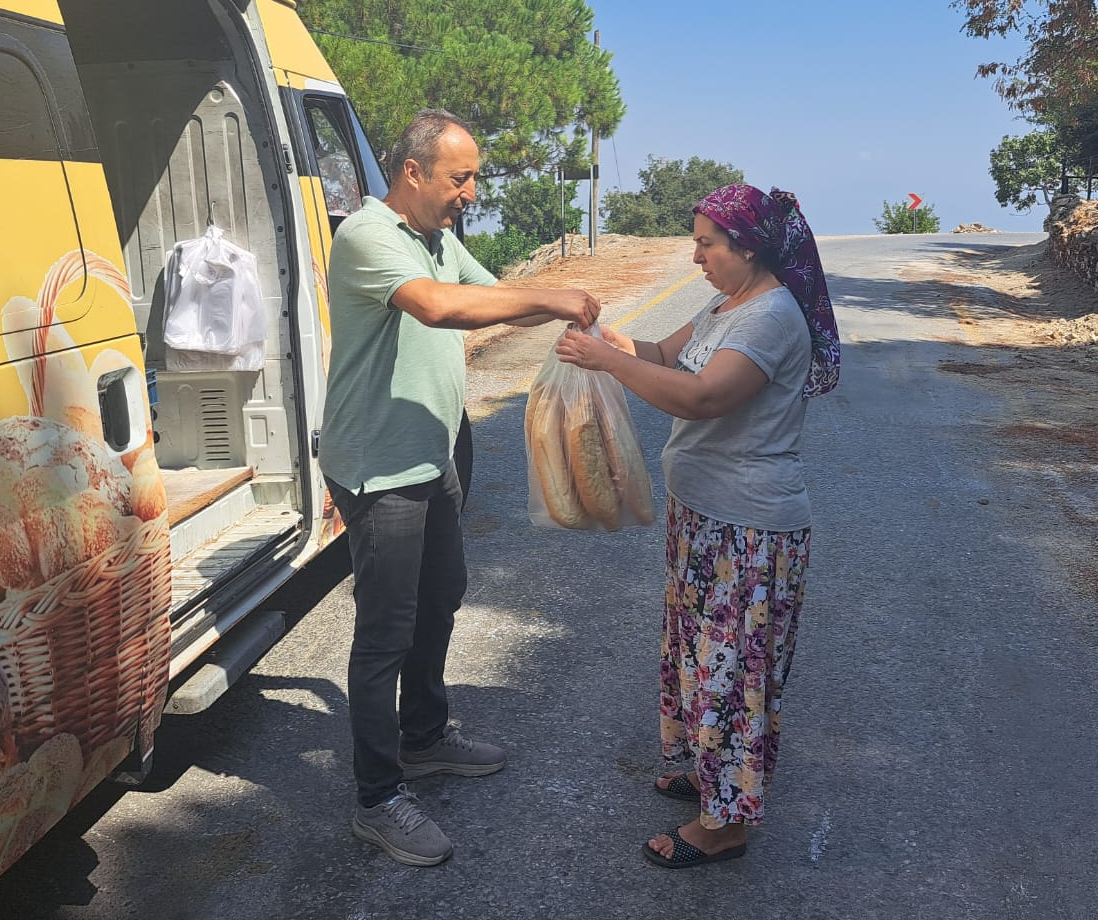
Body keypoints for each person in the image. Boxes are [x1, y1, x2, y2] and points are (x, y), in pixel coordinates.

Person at [321, 108, 601, 867]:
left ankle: (423, 738)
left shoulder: (437, 237)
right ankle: (376, 798)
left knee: (440, 598)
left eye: (473, 176)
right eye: (460, 176)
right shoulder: (368, 236)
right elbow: (441, 307)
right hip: (381, 465)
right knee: (386, 631)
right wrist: (552, 301)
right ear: (413, 173)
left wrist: (563, 294)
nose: (472, 191)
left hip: (437, 448)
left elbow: (491, 291)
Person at [556, 182, 839, 869]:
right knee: (698, 657)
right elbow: (665, 359)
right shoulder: (727, 303)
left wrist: (607, 362)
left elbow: (704, 396)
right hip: (706, 521)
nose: (696, 256)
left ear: (748, 247)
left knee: (733, 671)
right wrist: (618, 342)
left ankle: (725, 826)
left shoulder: (770, 317)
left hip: (750, 528)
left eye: (707, 243)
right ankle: (704, 775)